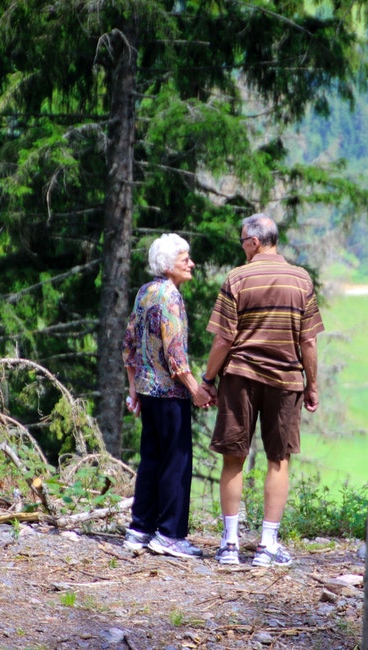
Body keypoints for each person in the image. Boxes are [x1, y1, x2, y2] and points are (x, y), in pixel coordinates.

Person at [199, 213, 324, 567]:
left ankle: (229, 545)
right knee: (278, 460)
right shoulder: (301, 279)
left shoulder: (237, 278)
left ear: (254, 242)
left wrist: (208, 380)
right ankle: (268, 546)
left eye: (242, 242)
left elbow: (224, 338)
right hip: (286, 381)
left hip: (239, 377)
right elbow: (309, 341)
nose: (242, 248)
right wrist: (312, 385)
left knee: (233, 458)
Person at [121, 233, 212, 560]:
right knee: (176, 461)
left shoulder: (145, 292)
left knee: (151, 460)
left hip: (147, 391)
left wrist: (133, 391)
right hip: (170, 393)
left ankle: (139, 528)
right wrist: (196, 390)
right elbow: (176, 356)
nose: (191, 263)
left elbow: (128, 345)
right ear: (168, 264)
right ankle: (170, 534)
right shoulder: (171, 297)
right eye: (184, 258)